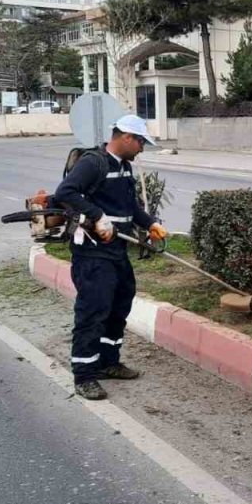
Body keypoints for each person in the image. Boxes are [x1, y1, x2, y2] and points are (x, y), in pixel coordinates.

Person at [53, 115, 167, 400]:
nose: (142, 148)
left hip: (117, 249)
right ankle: (84, 375)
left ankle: (108, 362)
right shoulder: (94, 163)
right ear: (126, 137)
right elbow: (65, 192)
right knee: (93, 311)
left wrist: (149, 223)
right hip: (93, 252)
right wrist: (97, 216)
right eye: (140, 142)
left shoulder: (124, 166)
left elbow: (129, 206)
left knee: (120, 302)